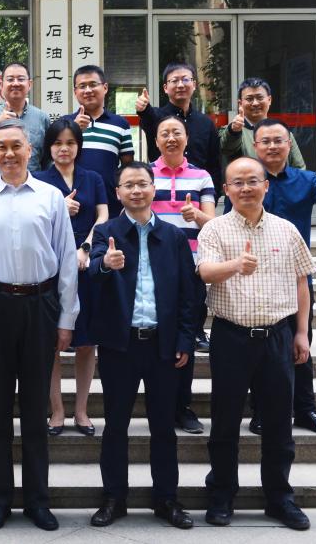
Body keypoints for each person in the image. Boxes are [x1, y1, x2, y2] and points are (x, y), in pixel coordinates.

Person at [0, 119, 79, 532]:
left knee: (36, 408)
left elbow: (66, 260)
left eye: (16, 146)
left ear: (30, 150)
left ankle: (38, 500)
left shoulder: (51, 197)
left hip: (41, 306)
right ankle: (0, 499)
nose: (8, 154)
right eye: (1, 147)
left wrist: (66, 318)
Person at [198, 157, 316, 531]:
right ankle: (221, 496)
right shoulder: (214, 229)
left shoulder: (286, 230)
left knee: (279, 424)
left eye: (253, 180)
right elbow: (204, 271)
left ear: (266, 185)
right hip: (231, 337)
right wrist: (235, 265)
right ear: (226, 190)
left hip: (277, 337)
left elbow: (302, 282)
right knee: (225, 422)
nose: (246, 188)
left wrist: (301, 333)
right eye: (238, 182)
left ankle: (280, 498)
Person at [86, 162, 197, 530]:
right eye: (128, 185)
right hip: (120, 345)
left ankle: (166, 499)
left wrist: (185, 339)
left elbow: (189, 294)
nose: (136, 190)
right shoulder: (106, 232)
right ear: (117, 192)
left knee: (163, 426)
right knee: (115, 425)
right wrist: (105, 264)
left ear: (154, 188)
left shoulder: (174, 236)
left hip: (163, 346)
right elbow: (91, 274)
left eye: (142, 184)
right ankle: (113, 498)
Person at [247, 118, 316, 437]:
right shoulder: (247, 179)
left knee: (301, 345)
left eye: (278, 140)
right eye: (265, 141)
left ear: (289, 143)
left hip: (296, 279)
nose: (272, 146)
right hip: (256, 278)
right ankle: (260, 411)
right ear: (255, 146)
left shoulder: (306, 180)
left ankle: (305, 409)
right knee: (260, 349)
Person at [34, 117, 108, 439]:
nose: (64, 149)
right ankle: (57, 410)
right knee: (51, 342)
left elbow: (103, 215)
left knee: (86, 343)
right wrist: (59, 208)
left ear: (79, 146)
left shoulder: (93, 178)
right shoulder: (39, 181)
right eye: (57, 143)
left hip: (86, 265)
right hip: (50, 269)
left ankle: (81, 409)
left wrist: (85, 249)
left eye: (70, 143)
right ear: (48, 147)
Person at [150, 115, 216, 435]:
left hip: (190, 269)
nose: (171, 138)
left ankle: (182, 407)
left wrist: (196, 214)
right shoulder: (146, 174)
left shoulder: (202, 177)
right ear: (156, 140)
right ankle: (159, 404)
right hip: (151, 269)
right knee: (154, 338)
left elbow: (213, 224)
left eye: (177, 132)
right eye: (164, 133)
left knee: (185, 338)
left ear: (187, 138)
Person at [136, 61, 223, 190]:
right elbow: (147, 118)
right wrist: (143, 109)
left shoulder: (206, 122)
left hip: (198, 191)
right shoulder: (156, 116)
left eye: (186, 79)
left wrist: (212, 194)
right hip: (161, 190)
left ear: (194, 85)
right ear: (165, 88)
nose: (181, 85)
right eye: (175, 80)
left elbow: (214, 164)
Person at [65, 64, 134, 217]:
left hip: (111, 202)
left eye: (93, 84)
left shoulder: (120, 124)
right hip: (73, 201)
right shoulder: (64, 124)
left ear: (105, 87)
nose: (88, 90)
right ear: (75, 92)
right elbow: (55, 160)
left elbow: (127, 166)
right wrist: (74, 130)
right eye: (82, 86)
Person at [0, 63, 50, 175]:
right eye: (10, 79)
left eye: (21, 79)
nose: (15, 83)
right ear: (1, 84)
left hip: (34, 182)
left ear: (29, 84)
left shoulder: (41, 117)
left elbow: (47, 158)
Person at [219, 78, 307, 169]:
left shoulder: (284, 133)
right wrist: (234, 131)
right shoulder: (231, 132)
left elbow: (300, 169)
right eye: (249, 99)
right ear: (240, 103)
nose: (255, 103)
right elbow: (227, 147)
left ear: (269, 100)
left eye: (260, 97)